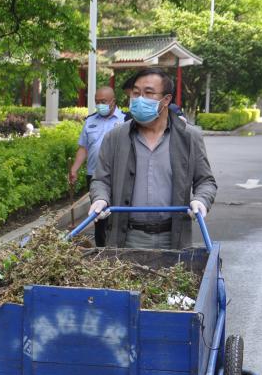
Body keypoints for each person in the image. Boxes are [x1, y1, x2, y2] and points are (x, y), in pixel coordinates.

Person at [88, 67, 217, 249]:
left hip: (174, 238)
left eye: (148, 93)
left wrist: (201, 200)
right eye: (136, 93)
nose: (140, 99)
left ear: (166, 100)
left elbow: (206, 181)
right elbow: (101, 179)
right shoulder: (115, 137)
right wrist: (100, 198)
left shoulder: (189, 137)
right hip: (127, 238)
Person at [68, 86, 125, 246]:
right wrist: (74, 169)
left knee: (118, 214)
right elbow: (83, 148)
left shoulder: (126, 120)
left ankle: (119, 248)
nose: (100, 105)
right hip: (94, 175)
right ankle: (100, 249)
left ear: (113, 101)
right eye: (97, 102)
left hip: (118, 175)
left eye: (103, 101)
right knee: (98, 214)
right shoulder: (90, 120)